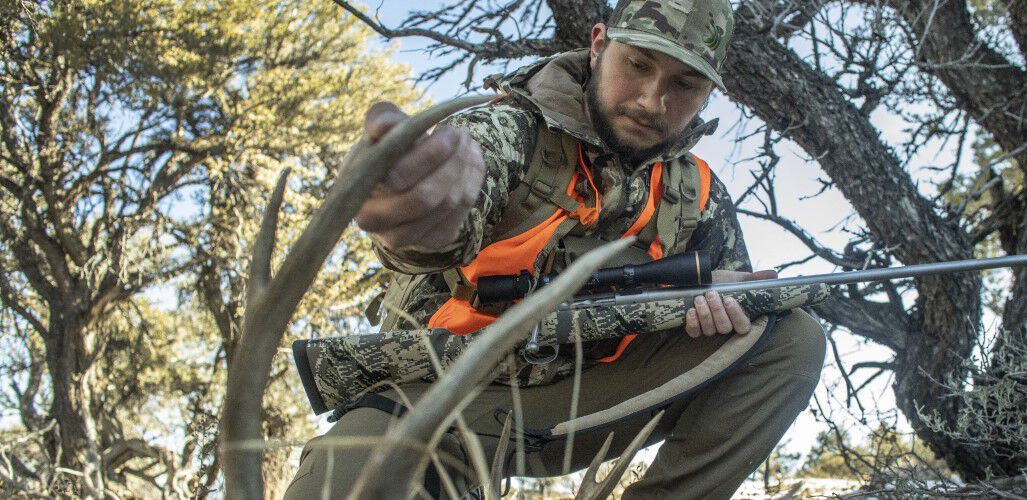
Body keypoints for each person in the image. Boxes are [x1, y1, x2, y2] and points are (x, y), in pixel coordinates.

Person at [284, 0, 826, 497]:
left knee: (789, 338)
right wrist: (415, 210)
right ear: (597, 44)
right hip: (439, 397)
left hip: (589, 404)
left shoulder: (700, 195)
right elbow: (445, 214)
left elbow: (730, 319)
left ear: (709, 93)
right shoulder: (507, 130)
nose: (652, 101)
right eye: (637, 65)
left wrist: (720, 312)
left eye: (684, 84)